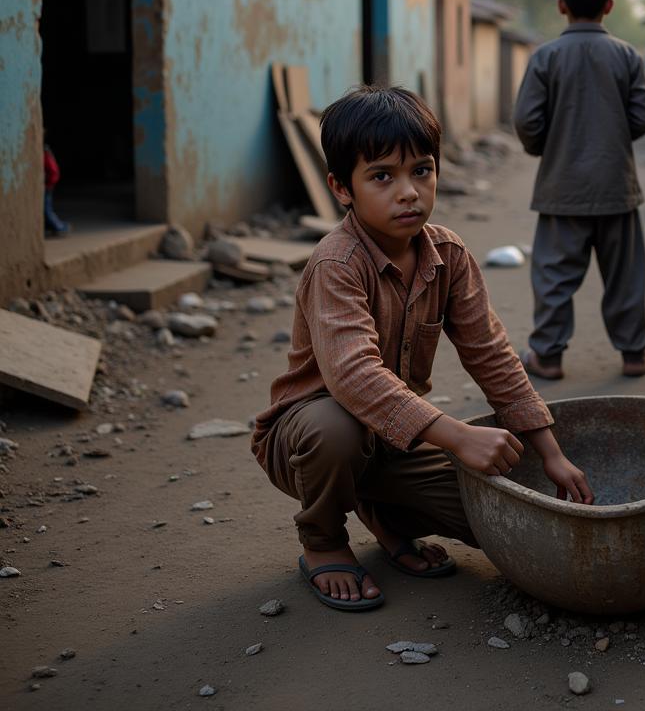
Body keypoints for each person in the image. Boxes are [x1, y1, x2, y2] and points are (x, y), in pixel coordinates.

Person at [251, 85, 593, 612]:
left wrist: (550, 453)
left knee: (501, 515)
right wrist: (457, 436)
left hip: (394, 438)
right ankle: (323, 540)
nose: (408, 192)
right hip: (307, 440)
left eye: (422, 170)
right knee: (335, 427)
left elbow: (491, 354)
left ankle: (383, 514)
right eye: (382, 176)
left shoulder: (448, 255)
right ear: (342, 188)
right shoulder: (337, 264)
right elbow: (354, 377)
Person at [513, 0, 645, 381]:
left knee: (554, 277)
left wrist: (547, 146)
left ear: (562, 5)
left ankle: (548, 357)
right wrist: (614, 135)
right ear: (609, 6)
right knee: (625, 276)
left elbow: (526, 121)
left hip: (562, 188)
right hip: (616, 186)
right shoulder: (626, 55)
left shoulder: (545, 58)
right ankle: (634, 354)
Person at [43, 141, 70, 236]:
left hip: (46, 186)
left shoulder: (45, 152)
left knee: (46, 210)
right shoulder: (44, 151)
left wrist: (47, 183)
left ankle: (60, 228)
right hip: (46, 185)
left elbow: (53, 172)